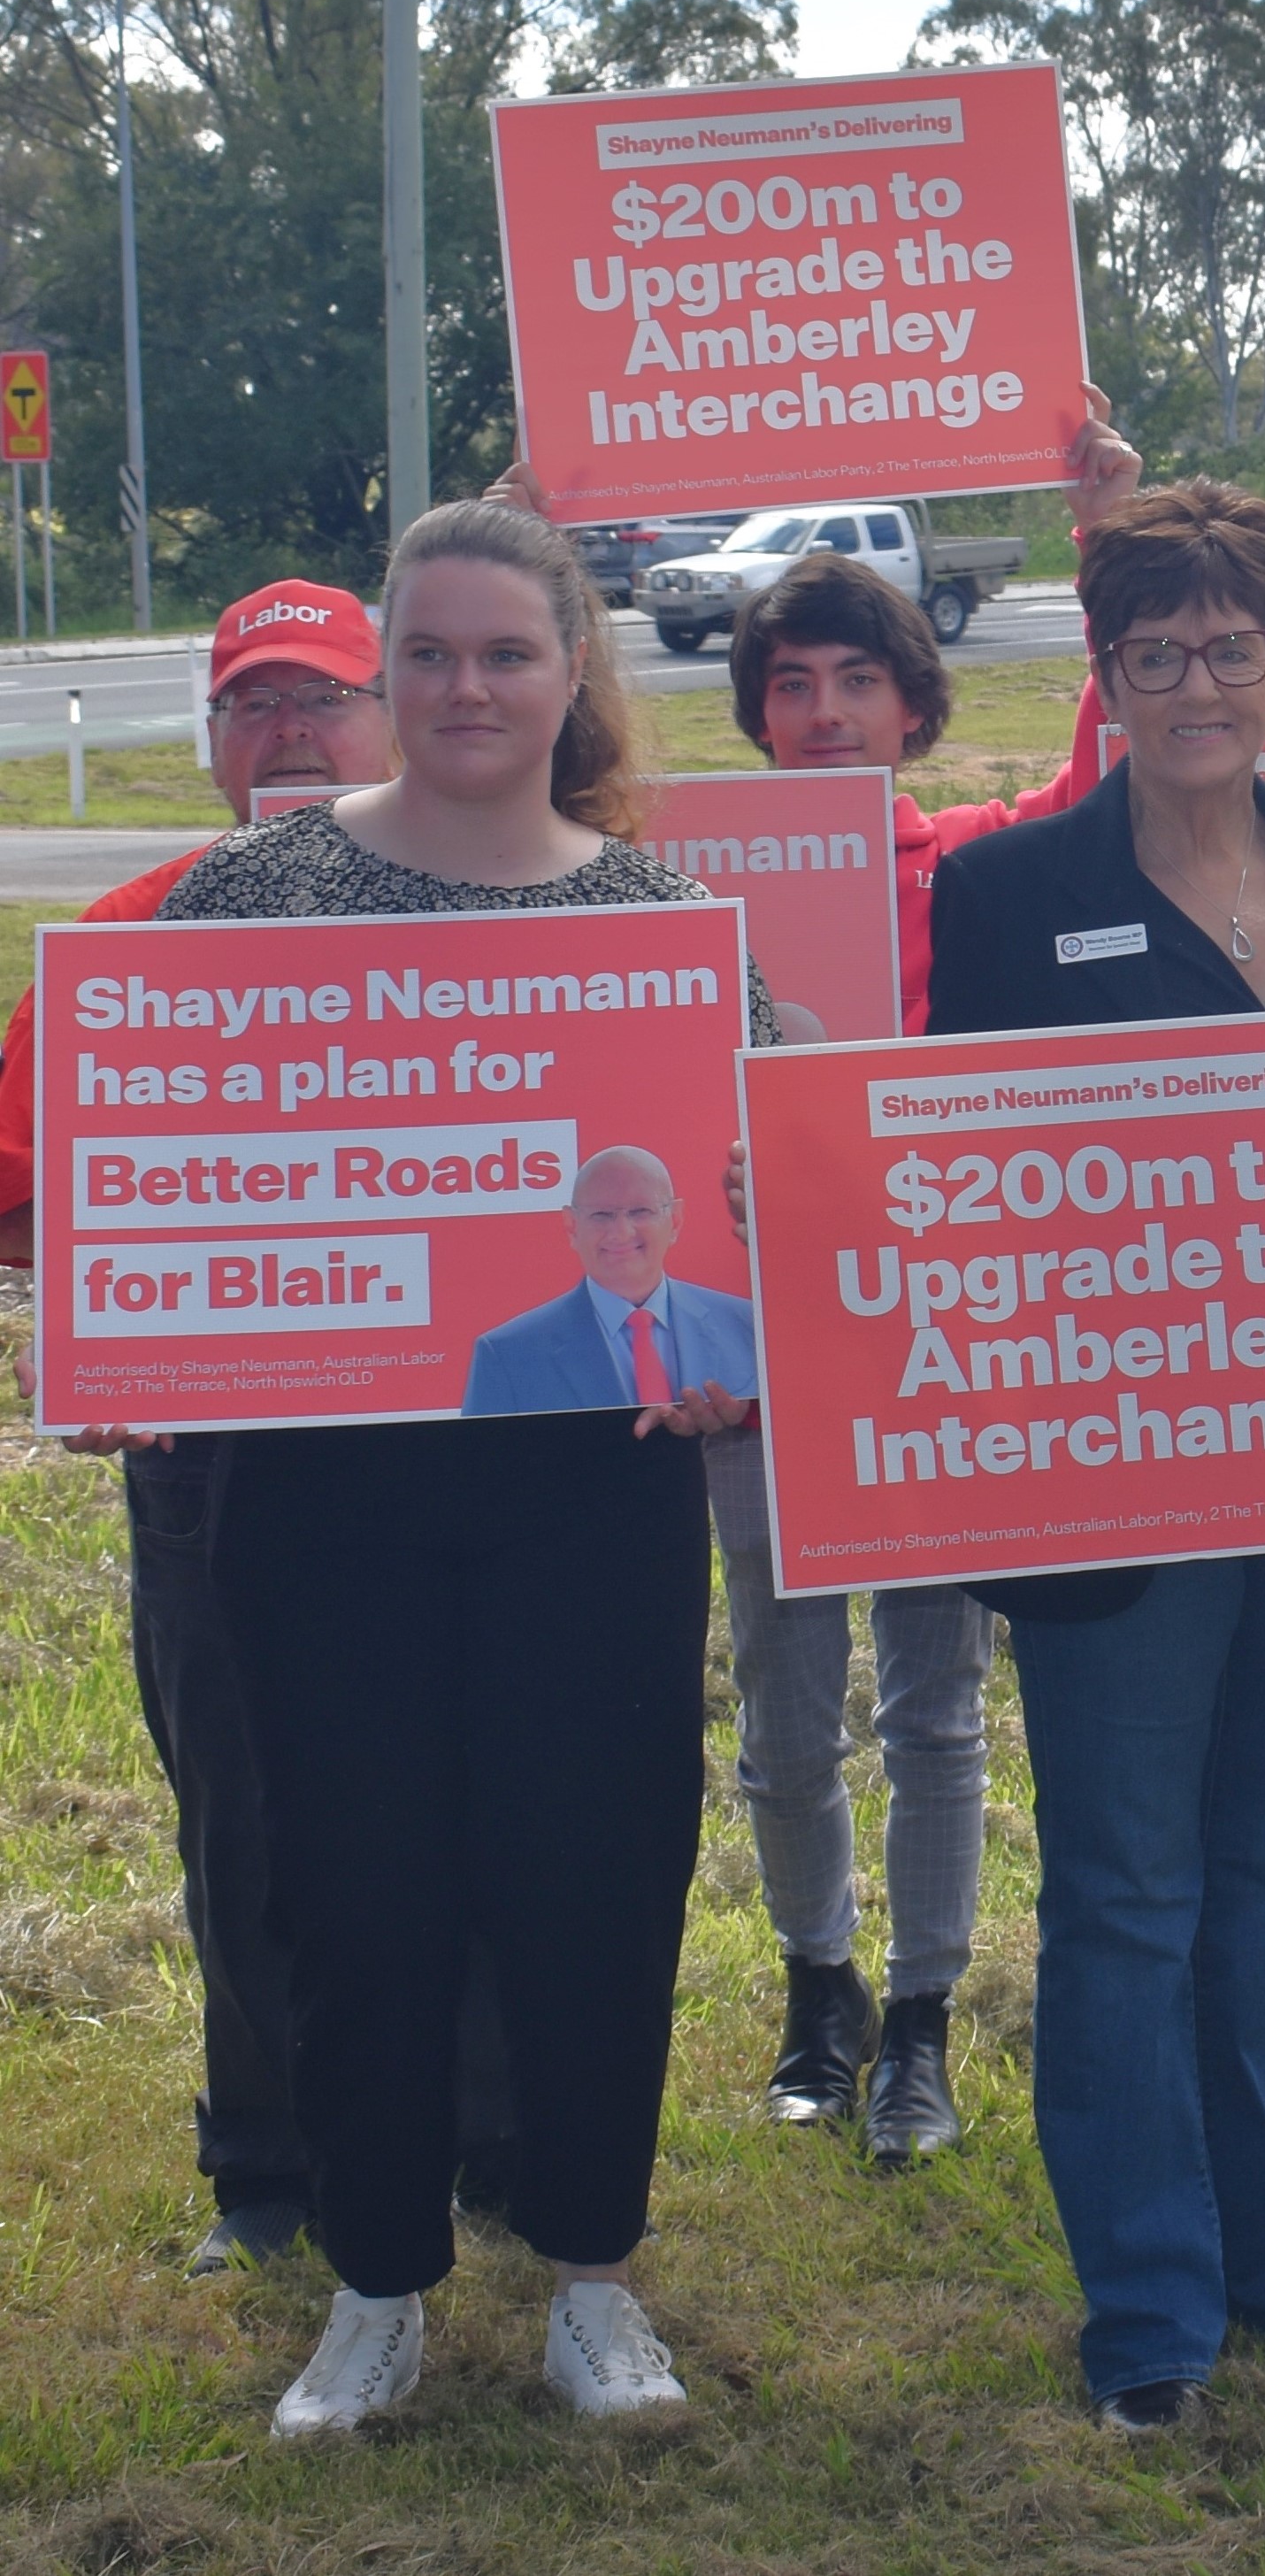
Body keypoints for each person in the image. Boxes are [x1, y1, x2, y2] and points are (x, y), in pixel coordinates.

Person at [126, 501, 771, 2435]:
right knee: (350, 1878)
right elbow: (163, 1180)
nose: (465, 686)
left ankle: (591, 2271)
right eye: (428, 652)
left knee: (593, 1871)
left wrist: (728, 1352)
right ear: (384, 671)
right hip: (322, 1501)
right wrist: (136, 1331)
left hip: (596, 1491)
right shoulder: (250, 897)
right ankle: (376, 2278)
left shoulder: (661, 929)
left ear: (574, 670)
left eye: (505, 651)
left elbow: (734, 1232)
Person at [924, 478, 1265, 2431]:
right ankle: (1148, 2308)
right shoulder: (1004, 892)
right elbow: (963, 1190)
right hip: (1113, 1475)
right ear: (1103, 673)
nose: (1194, 687)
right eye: (1152, 653)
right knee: (1128, 1892)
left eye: (1229, 649)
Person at [0, 579, 494, 2281]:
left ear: (395, 719)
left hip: (467, 1439)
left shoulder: (492, 907)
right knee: (249, 1811)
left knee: (478, 1793)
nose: (289, 731)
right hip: (218, 1458)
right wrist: (103, 1311)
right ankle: (268, 2163)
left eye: (324, 699)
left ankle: (487, 2145)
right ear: (213, 741)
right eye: (252, 704)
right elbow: (26, 1201)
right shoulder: (132, 934)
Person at [707, 548, 1088, 2163]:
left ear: (918, 706)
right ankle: (820, 1989)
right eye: (791, 684)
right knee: (786, 1697)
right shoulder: (691, 891)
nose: (824, 713)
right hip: (754, 1338)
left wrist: (1104, 527)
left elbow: (1112, 763)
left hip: (942, 1341)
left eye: (858, 679)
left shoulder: (993, 871)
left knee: (937, 1695)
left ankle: (925, 2014)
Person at [461, 1146, 760, 1413]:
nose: (621, 1232)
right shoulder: (507, 1355)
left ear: (676, 1221)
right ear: (572, 1226)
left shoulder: (751, 1326)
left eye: (641, 1211)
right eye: (602, 1215)